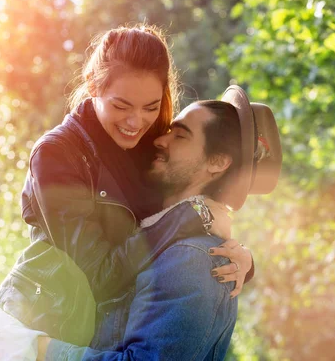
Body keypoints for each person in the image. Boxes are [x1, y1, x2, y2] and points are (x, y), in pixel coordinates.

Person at [0, 25, 254, 361]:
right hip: (41, 327)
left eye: (151, 107)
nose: (136, 121)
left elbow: (181, 219)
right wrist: (191, 217)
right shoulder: (57, 155)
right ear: (93, 85)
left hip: (100, 331)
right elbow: (98, 276)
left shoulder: (149, 143)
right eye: (121, 106)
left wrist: (238, 256)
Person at [37, 86, 283, 360]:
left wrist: (40, 350)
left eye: (180, 136)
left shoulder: (190, 259)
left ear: (217, 162)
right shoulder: (159, 236)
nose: (159, 140)